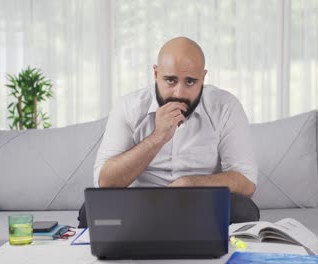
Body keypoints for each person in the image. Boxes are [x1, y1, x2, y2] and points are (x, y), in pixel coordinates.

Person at [78, 37, 259, 228]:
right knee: (90, 210)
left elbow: (246, 182)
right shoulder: (129, 107)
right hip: (140, 203)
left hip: (200, 201)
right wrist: (157, 137)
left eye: (190, 82)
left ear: (203, 78)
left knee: (243, 210)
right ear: (156, 73)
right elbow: (105, 182)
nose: (179, 93)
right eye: (170, 80)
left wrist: (188, 185)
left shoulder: (225, 106)